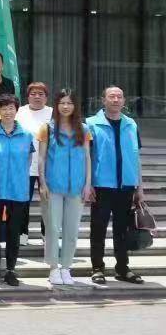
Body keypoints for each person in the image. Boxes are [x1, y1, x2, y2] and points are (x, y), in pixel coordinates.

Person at [86, 86, 144, 285]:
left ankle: (122, 268)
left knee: (122, 230)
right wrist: (89, 184)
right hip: (102, 185)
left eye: (120, 96)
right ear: (103, 100)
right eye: (112, 96)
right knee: (98, 228)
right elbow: (87, 157)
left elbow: (136, 157)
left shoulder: (131, 124)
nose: (116, 100)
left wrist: (139, 186)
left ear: (124, 101)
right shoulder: (92, 124)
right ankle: (97, 268)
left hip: (126, 186)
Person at [37, 89, 91, 286]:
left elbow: (87, 157)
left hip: (76, 188)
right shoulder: (47, 129)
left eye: (69, 103)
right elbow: (41, 158)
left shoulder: (84, 130)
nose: (66, 106)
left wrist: (88, 184)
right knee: (52, 227)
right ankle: (53, 268)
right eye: (62, 103)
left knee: (71, 230)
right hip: (53, 187)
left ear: (75, 106)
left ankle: (66, 267)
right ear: (56, 106)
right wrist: (42, 183)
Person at [0, 94, 32, 286]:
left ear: (16, 110)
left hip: (18, 191)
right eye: (4, 108)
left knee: (13, 232)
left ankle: (11, 270)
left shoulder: (26, 135)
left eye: (11, 108)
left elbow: (28, 160)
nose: (8, 111)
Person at [15, 81, 53, 246]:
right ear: (27, 96)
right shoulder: (20, 112)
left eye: (41, 94)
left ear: (46, 97)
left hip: (48, 165)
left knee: (49, 201)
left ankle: (47, 234)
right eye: (33, 94)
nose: (37, 97)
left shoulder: (52, 113)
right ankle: (22, 232)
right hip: (25, 165)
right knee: (23, 201)